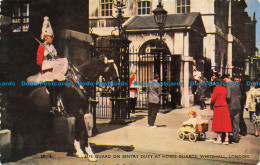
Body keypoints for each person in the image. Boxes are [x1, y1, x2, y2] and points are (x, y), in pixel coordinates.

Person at [36, 16, 63, 112]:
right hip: (46, 73)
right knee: (52, 86)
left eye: (52, 37)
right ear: (45, 37)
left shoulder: (53, 47)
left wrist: (60, 61)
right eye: (49, 37)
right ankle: (53, 106)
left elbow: (57, 57)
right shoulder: (41, 47)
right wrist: (50, 64)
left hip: (55, 71)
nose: (51, 39)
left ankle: (61, 104)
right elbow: (39, 62)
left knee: (63, 83)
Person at [210, 76, 232, 145]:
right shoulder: (224, 89)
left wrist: (211, 106)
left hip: (218, 107)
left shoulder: (216, 89)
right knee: (226, 122)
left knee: (218, 122)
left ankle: (218, 138)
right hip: (224, 106)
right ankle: (226, 139)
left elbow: (213, 99)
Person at [223, 74, 241, 143]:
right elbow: (239, 95)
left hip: (231, 106)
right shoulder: (237, 84)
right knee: (236, 123)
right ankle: (236, 138)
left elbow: (228, 96)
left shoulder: (228, 84)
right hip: (238, 105)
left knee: (228, 122)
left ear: (225, 79)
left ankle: (227, 137)